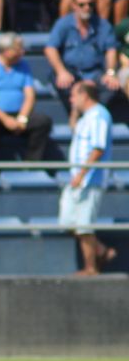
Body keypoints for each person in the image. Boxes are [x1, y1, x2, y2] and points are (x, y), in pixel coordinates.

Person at [61, 79, 117, 273]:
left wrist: (82, 174)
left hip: (90, 180)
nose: (71, 99)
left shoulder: (100, 116)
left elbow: (98, 148)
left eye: (74, 95)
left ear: (84, 95)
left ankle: (91, 267)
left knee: (84, 225)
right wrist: (75, 113)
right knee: (68, 221)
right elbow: (75, 131)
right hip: (77, 178)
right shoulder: (86, 117)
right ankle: (101, 250)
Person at [45, 0, 122, 117]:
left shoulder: (103, 25)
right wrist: (61, 71)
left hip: (96, 72)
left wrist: (110, 72)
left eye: (90, 4)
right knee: (59, 79)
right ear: (74, 6)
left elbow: (111, 50)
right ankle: (76, 114)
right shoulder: (63, 24)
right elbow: (50, 48)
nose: (87, 8)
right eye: (82, 4)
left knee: (111, 84)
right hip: (72, 73)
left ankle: (93, 114)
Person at [0, 31, 53, 159]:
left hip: (19, 116)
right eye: (19, 49)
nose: (22, 52)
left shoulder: (23, 66)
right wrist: (5, 119)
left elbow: (29, 95)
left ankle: (32, 166)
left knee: (43, 122)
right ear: (6, 50)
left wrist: (22, 118)